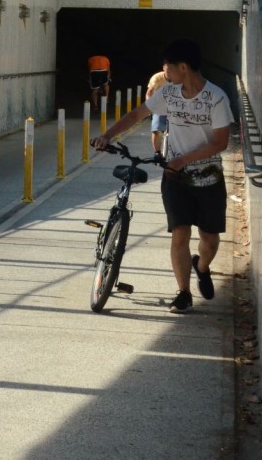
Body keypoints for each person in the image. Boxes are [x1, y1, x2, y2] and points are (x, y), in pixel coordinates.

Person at [92, 39, 233, 314]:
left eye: (167, 64)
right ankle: (183, 292)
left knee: (210, 240)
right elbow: (137, 114)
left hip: (209, 178)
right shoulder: (169, 93)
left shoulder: (216, 98)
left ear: (182, 66)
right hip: (175, 177)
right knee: (179, 233)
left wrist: (184, 159)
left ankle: (202, 268)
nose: (164, 69)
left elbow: (220, 143)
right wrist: (108, 135)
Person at [145, 66, 168, 157]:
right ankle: (157, 153)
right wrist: (150, 107)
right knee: (156, 129)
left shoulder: (179, 77)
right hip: (159, 106)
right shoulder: (157, 78)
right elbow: (149, 93)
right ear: (164, 68)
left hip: (174, 105)